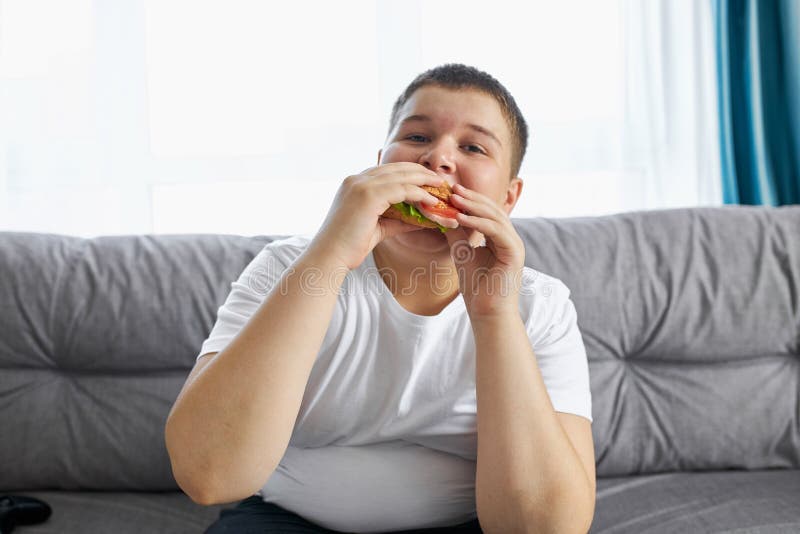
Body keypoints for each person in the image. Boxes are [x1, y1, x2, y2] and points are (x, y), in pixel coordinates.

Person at [165, 63, 595, 534]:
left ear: (509, 198)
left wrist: (494, 314)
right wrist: (328, 255)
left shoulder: (541, 305)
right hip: (285, 520)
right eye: (415, 137)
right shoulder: (286, 267)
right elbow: (208, 476)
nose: (438, 159)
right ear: (379, 164)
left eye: (472, 146)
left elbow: (543, 528)